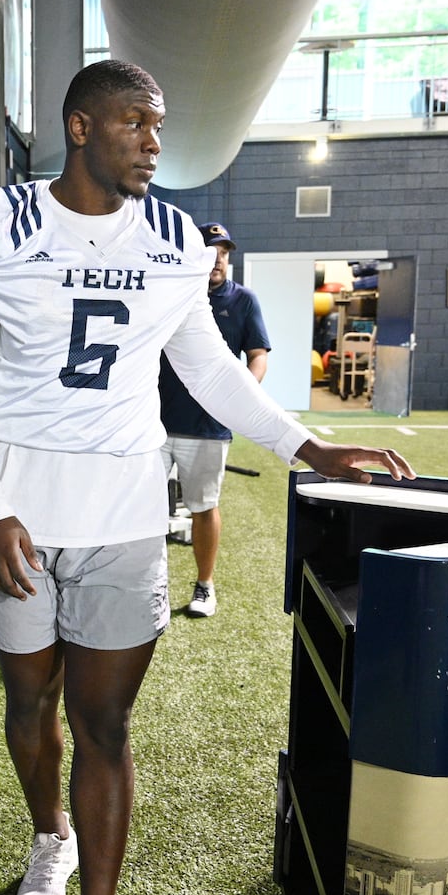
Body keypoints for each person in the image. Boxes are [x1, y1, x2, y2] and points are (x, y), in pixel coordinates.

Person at [0, 59, 415, 895]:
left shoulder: (173, 238)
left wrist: (306, 448)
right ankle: (49, 834)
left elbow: (207, 367)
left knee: (105, 725)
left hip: (121, 514)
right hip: (21, 521)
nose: (154, 142)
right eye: (134, 124)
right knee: (28, 703)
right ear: (79, 128)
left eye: (158, 125)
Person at [157, 221, 271, 617]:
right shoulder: (168, 293)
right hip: (153, 422)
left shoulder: (243, 301)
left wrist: (243, 392)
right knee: (141, 510)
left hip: (207, 426)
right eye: (211, 252)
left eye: (224, 253)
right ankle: (145, 586)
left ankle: (204, 586)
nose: (218, 260)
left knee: (204, 507)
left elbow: (258, 354)